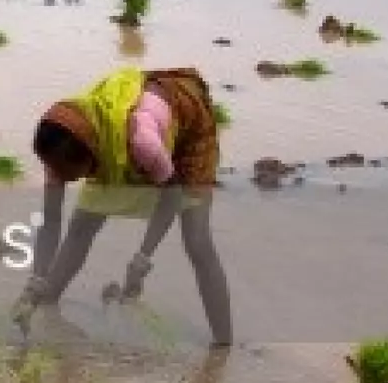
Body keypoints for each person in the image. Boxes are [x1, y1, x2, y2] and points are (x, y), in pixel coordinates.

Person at [21, 67, 233, 346]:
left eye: (70, 173)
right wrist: (36, 282)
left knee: (197, 241)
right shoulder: (62, 148)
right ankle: (48, 304)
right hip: (126, 137)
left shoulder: (141, 141)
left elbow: (171, 197)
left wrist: (141, 261)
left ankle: (224, 345)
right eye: (55, 171)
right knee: (82, 225)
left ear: (91, 153)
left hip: (188, 131)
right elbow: (51, 221)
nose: (63, 179)